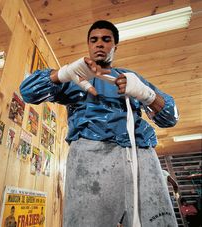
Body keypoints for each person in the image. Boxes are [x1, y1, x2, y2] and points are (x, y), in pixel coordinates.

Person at [20, 20, 179, 227]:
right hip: (90, 157)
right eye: (94, 40)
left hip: (139, 154)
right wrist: (63, 74)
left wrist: (146, 94)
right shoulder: (75, 77)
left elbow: (170, 117)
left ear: (115, 46)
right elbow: (28, 92)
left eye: (106, 39)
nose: (99, 44)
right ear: (88, 45)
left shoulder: (130, 77)